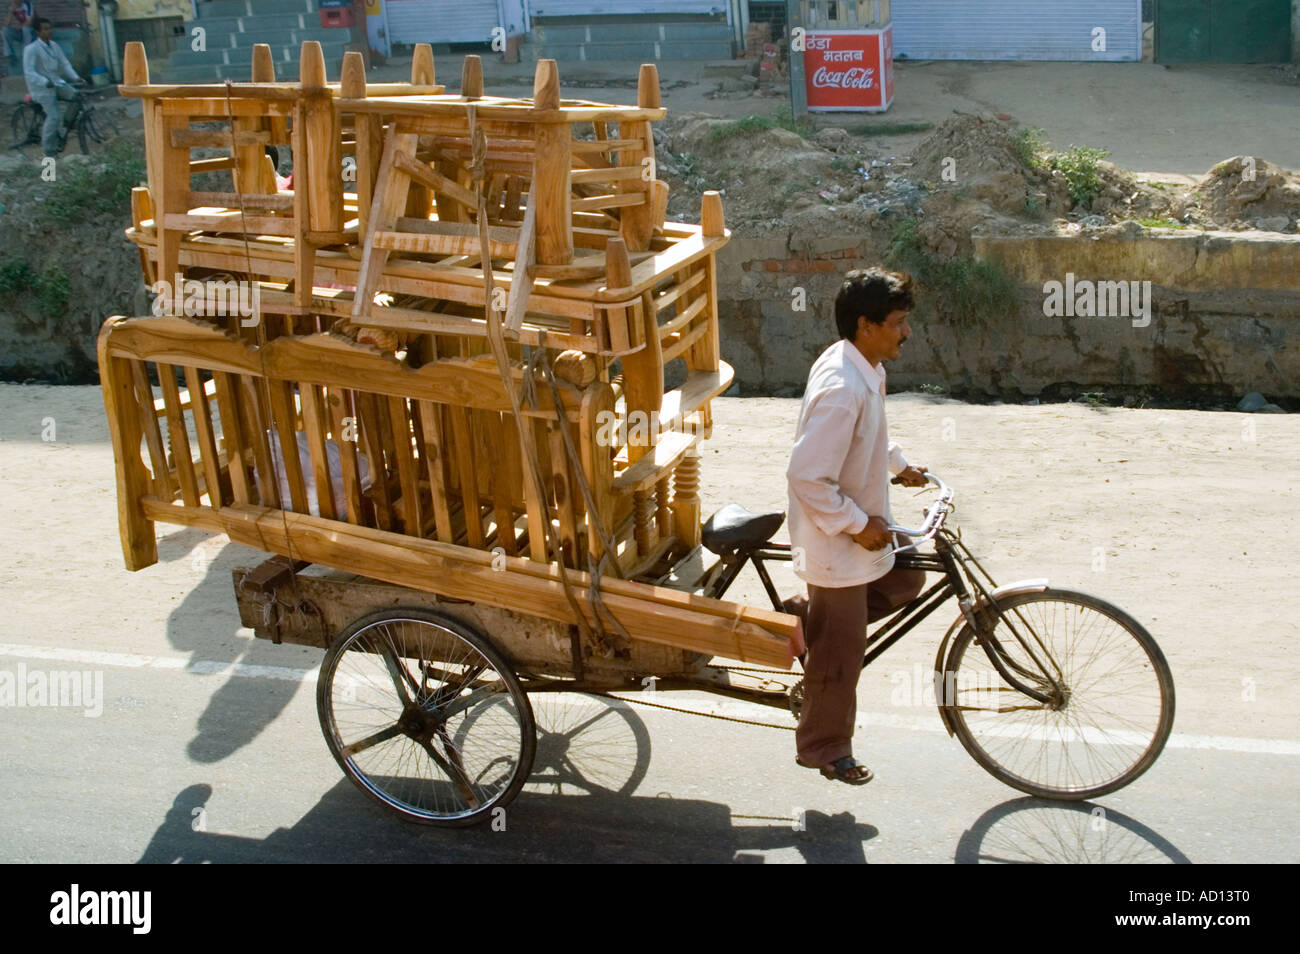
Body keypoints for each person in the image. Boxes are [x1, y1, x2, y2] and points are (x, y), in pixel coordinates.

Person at [785, 266, 929, 785]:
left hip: (858, 524)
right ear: (866, 325)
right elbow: (807, 475)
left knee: (908, 573)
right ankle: (823, 747)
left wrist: (898, 465)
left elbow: (868, 437)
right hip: (832, 537)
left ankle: (809, 621)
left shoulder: (862, 364)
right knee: (841, 654)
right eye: (897, 323)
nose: (905, 332)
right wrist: (854, 525)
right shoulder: (844, 387)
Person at [23, 17, 83, 156]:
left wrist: (76, 77)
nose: (49, 31)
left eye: (50, 28)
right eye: (45, 29)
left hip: (56, 83)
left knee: (77, 96)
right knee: (54, 116)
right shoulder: (31, 49)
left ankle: (66, 124)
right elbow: (29, 72)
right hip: (41, 88)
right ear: (38, 32)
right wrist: (44, 81)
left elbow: (64, 64)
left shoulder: (54, 46)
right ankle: (49, 151)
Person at [2, 0, 34, 87]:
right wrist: (10, 12)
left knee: (26, 29)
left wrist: (21, 27)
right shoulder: (13, 7)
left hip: (32, 32)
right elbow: (5, 25)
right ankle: (9, 54)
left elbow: (30, 22)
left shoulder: (27, 4)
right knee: (4, 31)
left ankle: (26, 54)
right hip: (22, 31)